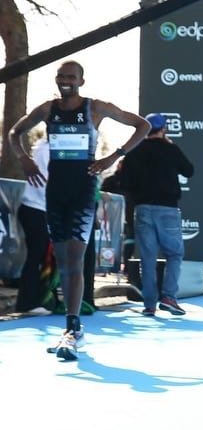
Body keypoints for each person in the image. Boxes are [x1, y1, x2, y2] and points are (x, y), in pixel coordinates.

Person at [7, 60, 150, 361]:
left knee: (74, 258)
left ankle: (73, 328)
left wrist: (114, 156)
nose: (65, 81)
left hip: (83, 192)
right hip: (55, 192)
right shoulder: (48, 110)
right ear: (56, 80)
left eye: (71, 77)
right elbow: (14, 132)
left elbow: (143, 125)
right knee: (63, 263)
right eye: (61, 76)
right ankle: (72, 329)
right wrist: (23, 158)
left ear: (81, 81)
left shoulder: (95, 108)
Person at [116, 113, 195, 316]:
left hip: (142, 209)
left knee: (148, 258)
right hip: (167, 208)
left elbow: (123, 183)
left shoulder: (134, 151)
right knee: (174, 254)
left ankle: (149, 304)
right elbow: (189, 171)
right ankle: (169, 297)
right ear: (163, 129)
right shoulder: (170, 149)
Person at [14, 138, 53, 315]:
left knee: (40, 256)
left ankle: (36, 299)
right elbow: (48, 180)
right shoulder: (46, 149)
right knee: (35, 256)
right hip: (36, 207)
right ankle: (27, 302)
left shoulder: (45, 147)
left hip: (38, 207)